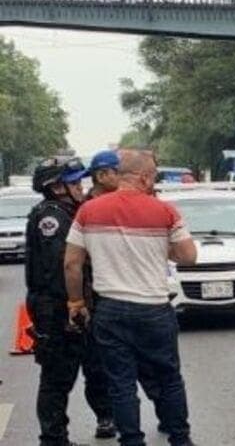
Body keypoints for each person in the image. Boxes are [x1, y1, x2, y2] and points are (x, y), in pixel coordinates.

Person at [63, 150, 197, 446]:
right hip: (154, 308)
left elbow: (72, 263)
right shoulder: (165, 211)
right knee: (169, 378)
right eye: (154, 177)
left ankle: (132, 440)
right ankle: (180, 438)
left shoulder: (88, 211)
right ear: (145, 177)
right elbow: (189, 256)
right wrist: (164, 249)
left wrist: (76, 303)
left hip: (110, 309)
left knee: (121, 383)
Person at [26, 157, 116, 445]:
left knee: (95, 364)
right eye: (75, 181)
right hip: (57, 306)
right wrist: (74, 307)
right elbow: (61, 266)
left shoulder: (71, 211)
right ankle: (53, 438)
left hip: (78, 303)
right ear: (57, 187)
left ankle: (105, 416)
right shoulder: (51, 217)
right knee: (57, 376)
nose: (81, 186)